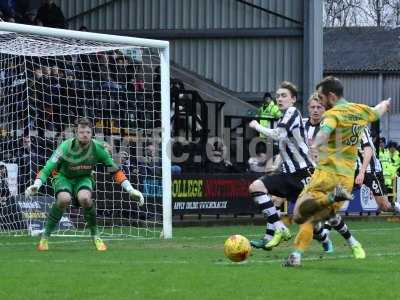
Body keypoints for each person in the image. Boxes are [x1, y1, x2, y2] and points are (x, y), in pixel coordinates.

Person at [283, 76, 391, 267]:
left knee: (300, 214)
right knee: (315, 216)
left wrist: (315, 144)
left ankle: (330, 198)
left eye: (322, 99)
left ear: (331, 96)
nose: (321, 104)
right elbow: (377, 111)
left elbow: (325, 130)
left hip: (326, 174)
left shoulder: (332, 115)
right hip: (346, 178)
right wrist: (385, 103)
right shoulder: (360, 110)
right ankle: (297, 255)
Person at [25, 118, 144, 251]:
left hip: (84, 177)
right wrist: (37, 184)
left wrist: (131, 189)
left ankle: (96, 236)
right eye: (82, 132)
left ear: (92, 133)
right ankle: (45, 238)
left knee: (85, 199)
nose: (85, 134)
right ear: (76, 133)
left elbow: (115, 171)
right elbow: (47, 168)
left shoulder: (99, 149)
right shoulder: (65, 147)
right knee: (64, 199)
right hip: (63, 177)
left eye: (87, 132)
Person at [248, 81, 314, 250]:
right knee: (259, 189)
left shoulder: (292, 112)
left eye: (284, 96)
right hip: (288, 172)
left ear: (293, 99)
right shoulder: (283, 117)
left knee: (315, 219)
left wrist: (257, 126)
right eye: (277, 96)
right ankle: (275, 233)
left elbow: (278, 135)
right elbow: (285, 145)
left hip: (303, 173)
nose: (279, 99)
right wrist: (277, 164)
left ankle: (347, 242)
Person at [305, 93, 365, 254]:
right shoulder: (303, 126)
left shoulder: (335, 126)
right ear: (308, 109)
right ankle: (335, 240)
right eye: (313, 107)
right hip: (313, 175)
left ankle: (349, 243)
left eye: (319, 107)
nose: (316, 110)